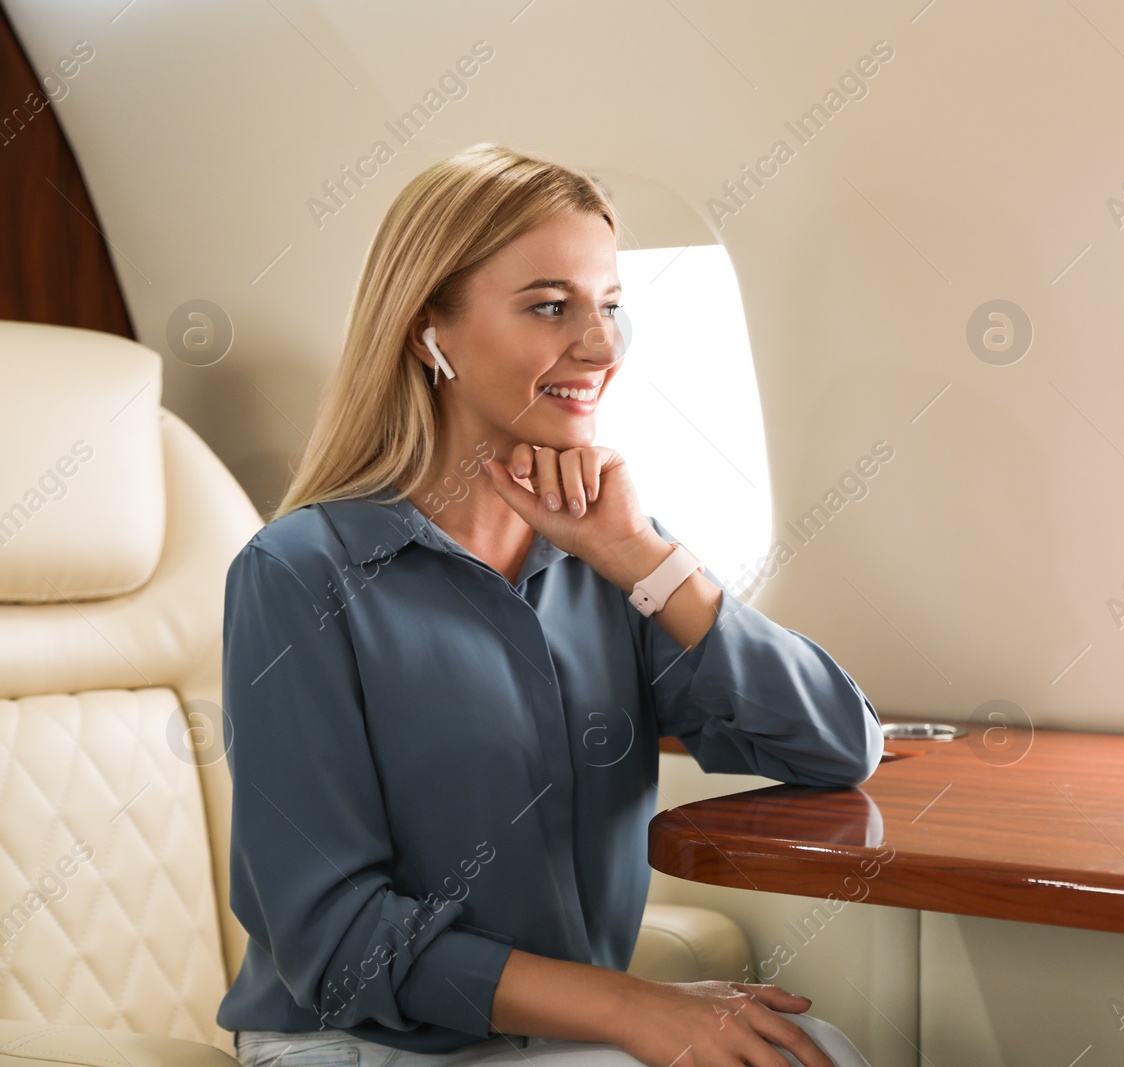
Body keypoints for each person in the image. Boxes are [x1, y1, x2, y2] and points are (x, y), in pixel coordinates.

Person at [216, 142, 882, 1067]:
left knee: (816, 1049)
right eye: (550, 307)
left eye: (611, 307)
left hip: (556, 1036)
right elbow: (336, 941)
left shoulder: (606, 559)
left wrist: (640, 555)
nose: (602, 346)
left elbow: (836, 747)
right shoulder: (298, 573)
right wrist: (629, 1008)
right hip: (356, 1039)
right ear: (427, 332)